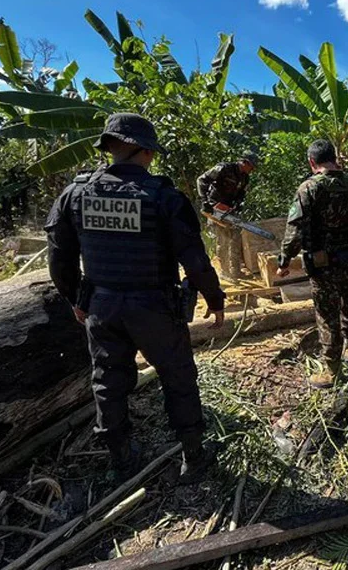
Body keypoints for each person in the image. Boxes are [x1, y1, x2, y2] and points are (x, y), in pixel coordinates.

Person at [45, 113, 226, 481]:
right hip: (155, 308)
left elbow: (58, 255)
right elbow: (194, 259)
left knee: (108, 382)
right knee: (178, 377)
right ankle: (193, 457)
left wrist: (76, 299)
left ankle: (121, 461)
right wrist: (215, 298)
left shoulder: (75, 193)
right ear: (146, 152)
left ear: (110, 147)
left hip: (102, 306)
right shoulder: (163, 197)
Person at [276, 140, 348, 388]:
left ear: (312, 162)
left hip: (323, 266)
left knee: (326, 315)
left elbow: (295, 230)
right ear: (333, 158)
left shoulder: (309, 189)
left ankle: (332, 371)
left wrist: (284, 261)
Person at [197, 152, 259, 279]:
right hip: (215, 207)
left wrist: (239, 204)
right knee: (222, 239)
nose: (252, 170)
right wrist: (205, 201)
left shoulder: (245, 178)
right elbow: (201, 180)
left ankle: (235, 271)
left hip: (229, 209)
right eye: (251, 167)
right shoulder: (224, 169)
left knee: (236, 237)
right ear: (244, 162)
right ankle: (224, 272)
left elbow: (241, 194)